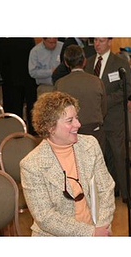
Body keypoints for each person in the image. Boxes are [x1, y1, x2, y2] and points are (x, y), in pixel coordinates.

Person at [20, 91, 115, 236]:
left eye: (76, 117)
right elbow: (45, 217)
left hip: (96, 229)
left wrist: (102, 226)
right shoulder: (32, 165)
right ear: (50, 127)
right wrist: (91, 233)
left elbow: (106, 188)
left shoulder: (90, 144)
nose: (78, 124)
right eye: (70, 121)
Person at [85, 38, 131, 209]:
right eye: (95, 41)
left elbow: (126, 89)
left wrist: (103, 101)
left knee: (119, 155)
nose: (97, 44)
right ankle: (109, 190)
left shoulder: (120, 63)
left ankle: (127, 194)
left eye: (101, 40)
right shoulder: (89, 62)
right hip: (94, 120)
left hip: (114, 118)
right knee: (102, 157)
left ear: (109, 42)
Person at [54, 44, 107, 152]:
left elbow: (56, 113)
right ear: (84, 61)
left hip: (69, 134)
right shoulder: (97, 81)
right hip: (94, 132)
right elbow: (103, 109)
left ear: (66, 63)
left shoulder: (60, 84)